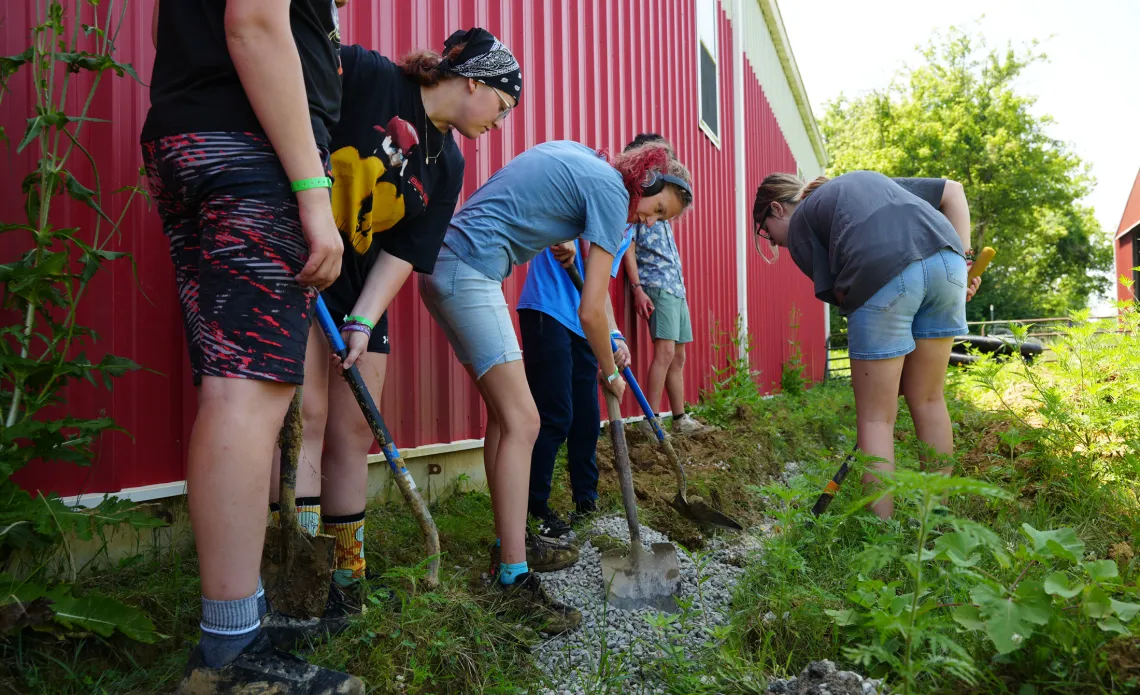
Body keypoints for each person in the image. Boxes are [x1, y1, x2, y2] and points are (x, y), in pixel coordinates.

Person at [262, 28, 522, 648]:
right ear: (473, 82)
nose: (501, 123)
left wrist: (363, 318)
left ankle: (345, 572)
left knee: (355, 430)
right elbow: (290, 104)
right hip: (301, 263)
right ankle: (298, 574)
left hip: (360, 289)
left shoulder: (448, 162)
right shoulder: (367, 75)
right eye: (503, 107)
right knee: (311, 417)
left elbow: (405, 249)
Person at [142, 0, 362, 692]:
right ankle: (230, 653)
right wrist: (311, 187)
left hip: (194, 137)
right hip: (249, 146)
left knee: (229, 384)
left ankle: (238, 625)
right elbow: (255, 24)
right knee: (246, 393)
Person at [419, 139, 693, 634]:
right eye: (657, 209)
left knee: (506, 420)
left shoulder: (587, 163)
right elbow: (589, 307)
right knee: (527, 420)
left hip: (445, 266)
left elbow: (595, 301)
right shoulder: (612, 194)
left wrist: (610, 340)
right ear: (647, 183)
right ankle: (513, 579)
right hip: (471, 270)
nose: (650, 221)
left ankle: (513, 542)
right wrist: (610, 372)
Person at [751, 171, 981, 520]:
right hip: (947, 261)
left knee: (876, 419)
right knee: (930, 399)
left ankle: (880, 534)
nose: (775, 244)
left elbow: (846, 294)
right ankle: (935, 522)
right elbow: (953, 191)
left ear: (777, 210)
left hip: (884, 269)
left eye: (767, 234)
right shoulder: (867, 184)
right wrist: (964, 265)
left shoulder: (800, 227)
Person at [515, 231, 634, 540]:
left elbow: (600, 287)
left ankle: (585, 501)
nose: (651, 220)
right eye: (656, 210)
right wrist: (564, 234)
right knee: (555, 415)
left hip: (585, 321)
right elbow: (557, 204)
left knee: (586, 419)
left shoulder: (626, 230)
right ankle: (533, 508)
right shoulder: (600, 192)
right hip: (547, 309)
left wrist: (615, 333)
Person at [620, 133, 712, 436]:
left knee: (679, 355)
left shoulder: (664, 205)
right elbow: (628, 247)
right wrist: (638, 287)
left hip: (676, 287)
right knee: (665, 353)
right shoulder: (639, 205)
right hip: (657, 285)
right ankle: (651, 419)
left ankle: (679, 418)